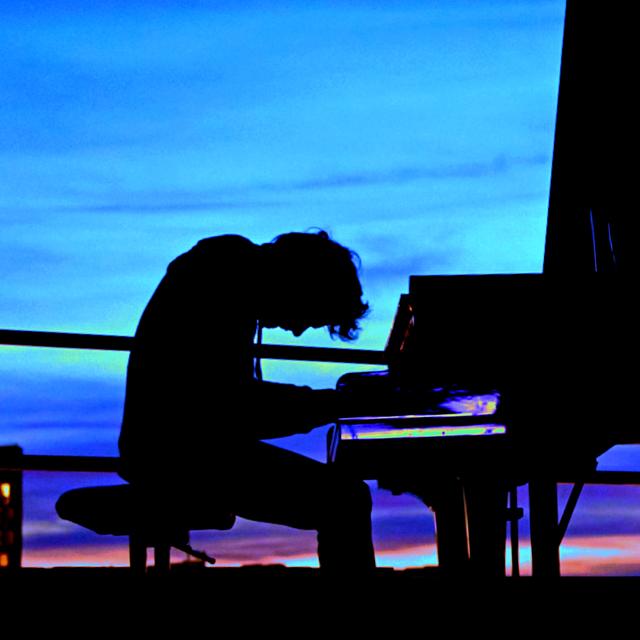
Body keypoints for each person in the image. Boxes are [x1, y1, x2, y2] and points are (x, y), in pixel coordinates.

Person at [117, 230, 376, 571]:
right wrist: (335, 405)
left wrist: (328, 405)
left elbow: (231, 405)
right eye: (308, 315)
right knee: (346, 501)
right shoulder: (224, 280)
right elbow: (232, 408)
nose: (296, 331)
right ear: (303, 281)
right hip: (184, 451)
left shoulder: (223, 273)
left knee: (344, 497)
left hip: (176, 445)